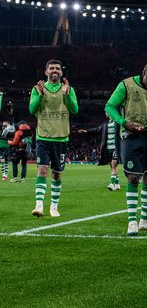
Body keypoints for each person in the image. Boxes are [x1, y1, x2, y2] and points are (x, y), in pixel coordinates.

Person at [105, 62, 147, 235]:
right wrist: (123, 122)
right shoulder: (126, 85)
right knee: (133, 178)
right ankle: (132, 221)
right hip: (131, 137)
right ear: (143, 73)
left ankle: (145, 220)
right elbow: (109, 107)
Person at [29, 59, 78, 217]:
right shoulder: (37, 89)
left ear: (61, 72)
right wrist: (41, 95)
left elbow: (75, 109)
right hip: (43, 137)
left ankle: (54, 207)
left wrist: (67, 95)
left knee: (56, 174)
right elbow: (31, 109)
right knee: (42, 170)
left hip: (61, 138)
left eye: (57, 68)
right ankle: (39, 206)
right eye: (51, 68)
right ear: (46, 72)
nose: (55, 70)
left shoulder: (69, 89)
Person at [78, 118, 122, 190]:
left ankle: (112, 184)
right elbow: (96, 129)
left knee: (114, 165)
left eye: (107, 111)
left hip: (116, 148)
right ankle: (117, 184)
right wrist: (86, 131)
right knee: (113, 167)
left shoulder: (119, 123)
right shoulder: (105, 125)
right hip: (108, 149)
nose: (106, 113)